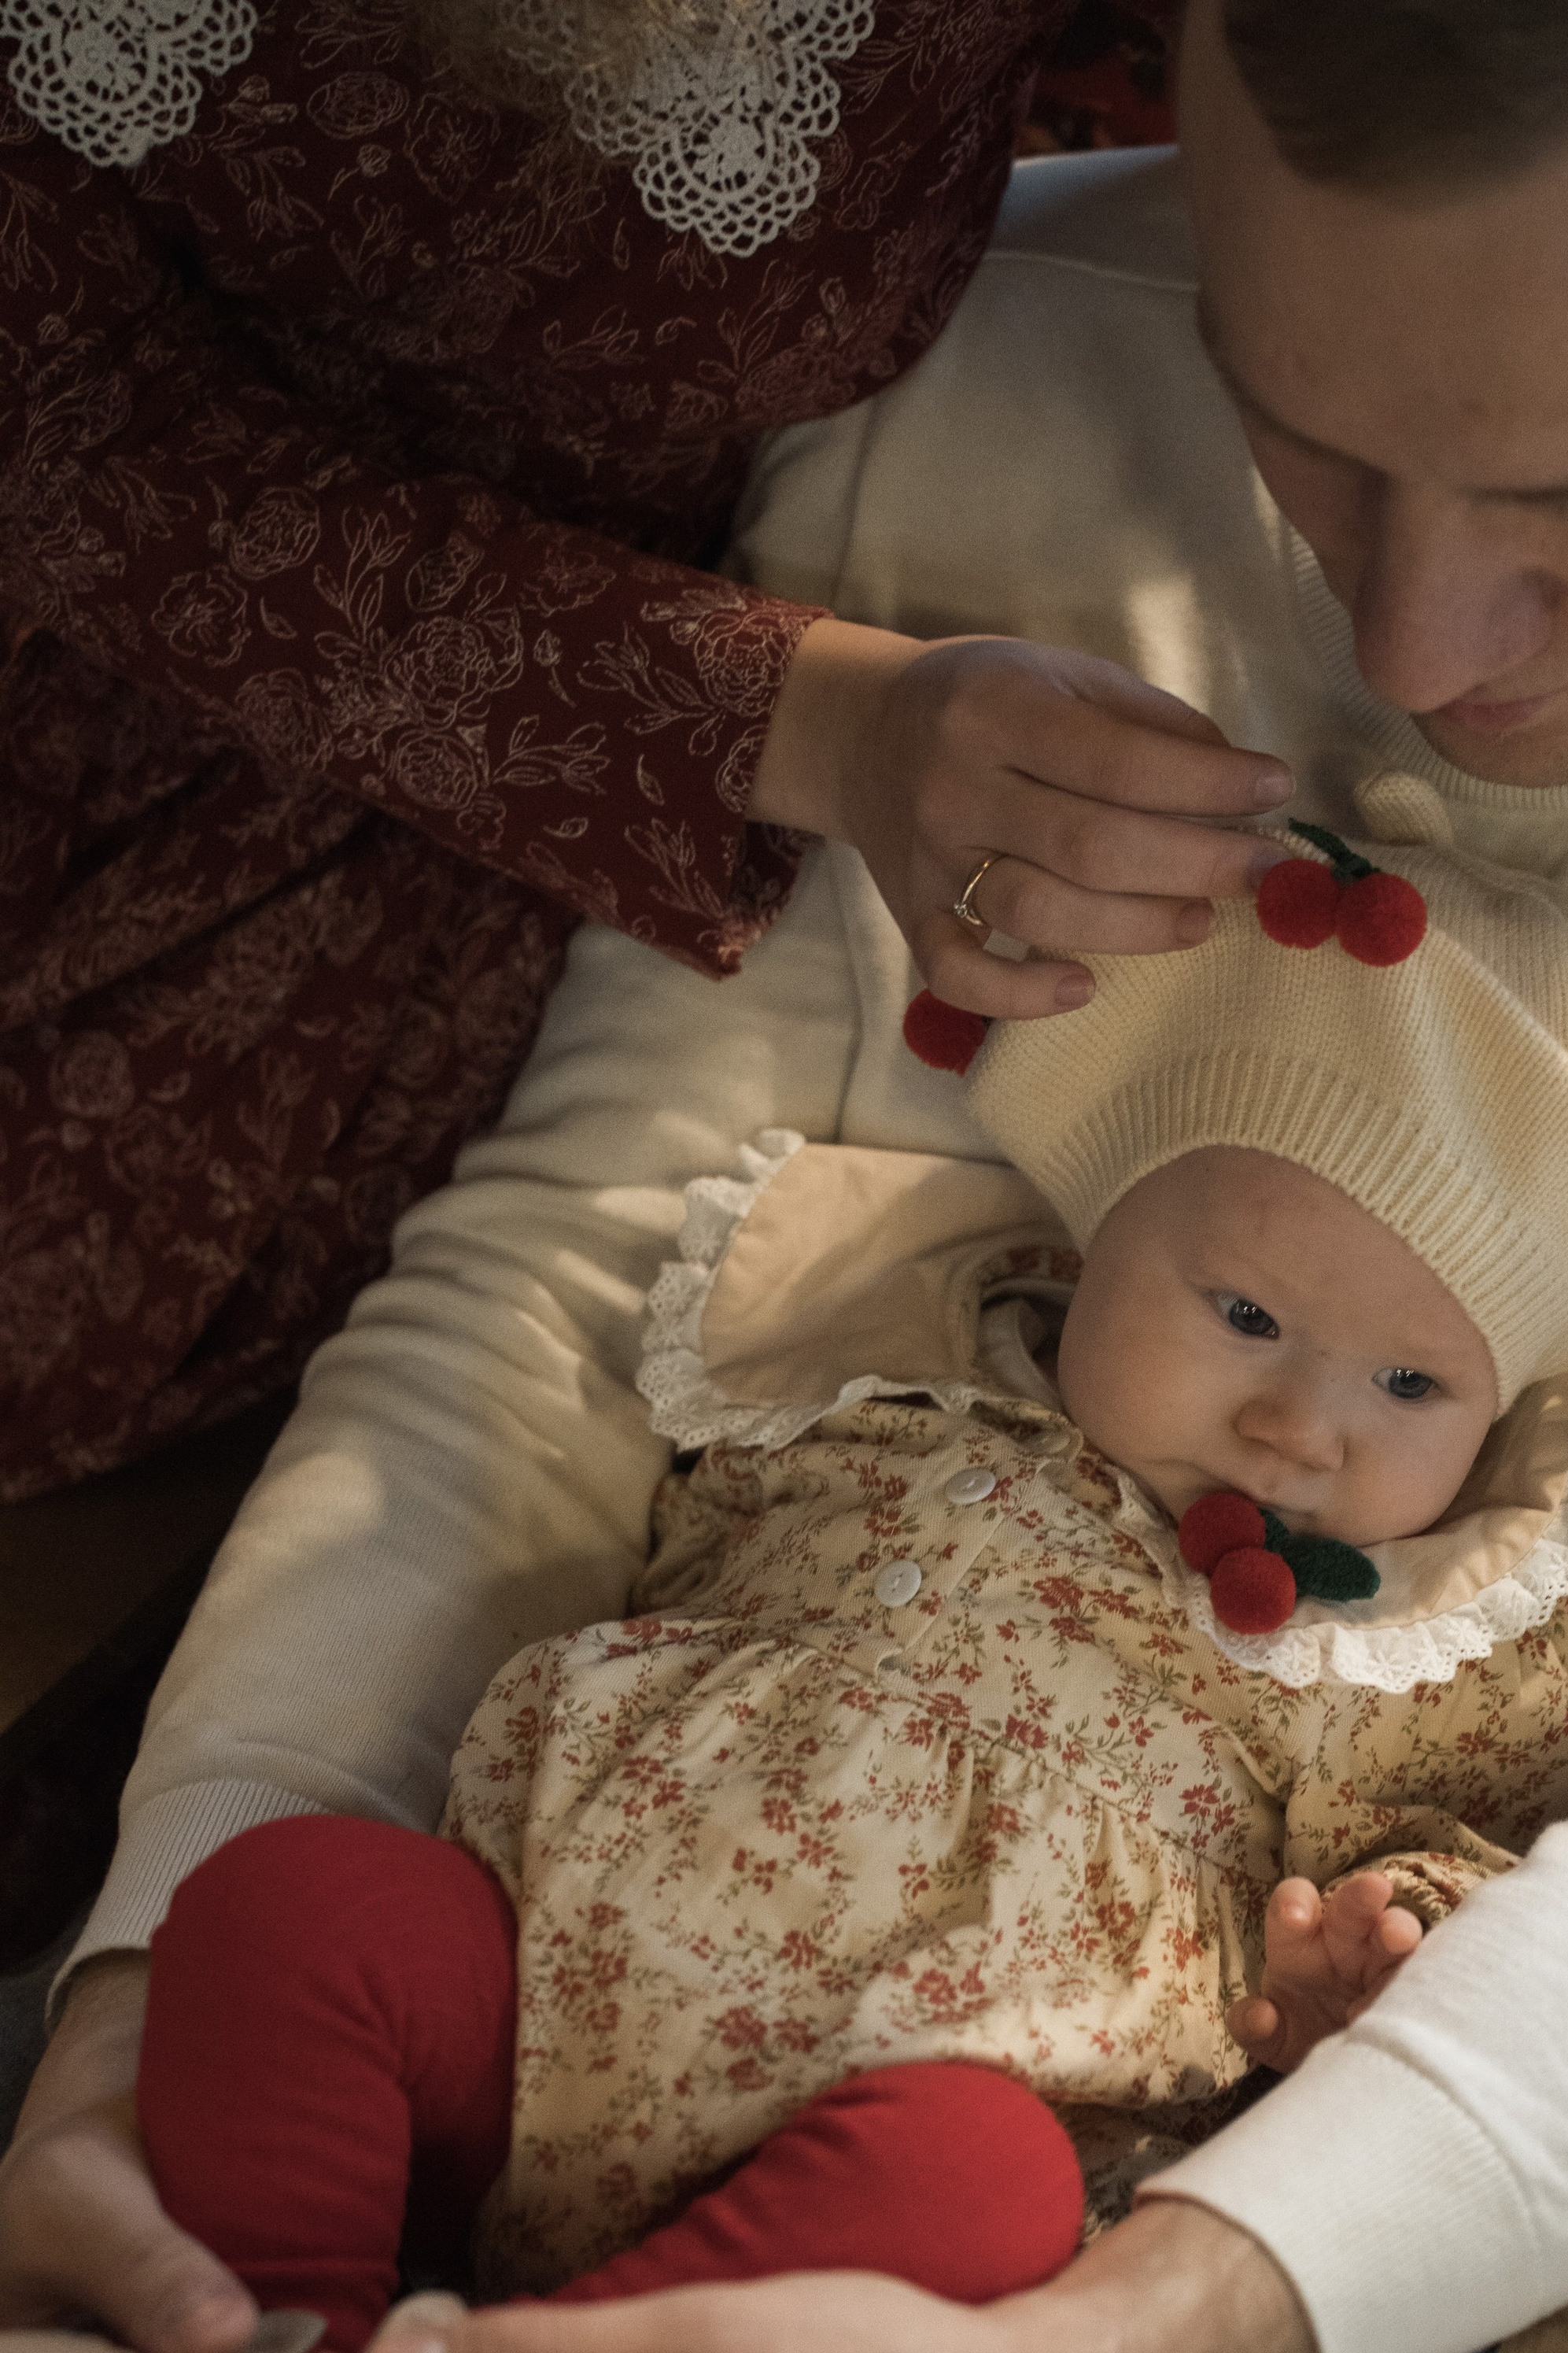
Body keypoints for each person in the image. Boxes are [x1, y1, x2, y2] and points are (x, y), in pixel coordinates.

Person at [9, 0, 1568, 2353]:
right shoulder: (996, 360)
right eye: (1305, 436)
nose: (1421, 638)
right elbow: (559, 1309)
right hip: (563, 1878)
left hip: (1218, 2178)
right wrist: (148, 2002)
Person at [0, 807, 1568, 2353]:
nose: (1299, 1420)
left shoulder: (1430, 1640)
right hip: (544, 1985)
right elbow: (593, 1517)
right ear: (1096, 1232)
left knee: (986, 2193)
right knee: (290, 1904)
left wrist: (1372, 1959)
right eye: (1241, 1311)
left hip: (910, 2118)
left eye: (1406, 1382)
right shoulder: (878, 1380)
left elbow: (1503, 1866)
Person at [0, 0, 1284, 1501]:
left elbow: (1414, 106)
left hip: (455, 841)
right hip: (449, 748)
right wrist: (809, 723)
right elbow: (54, 414)